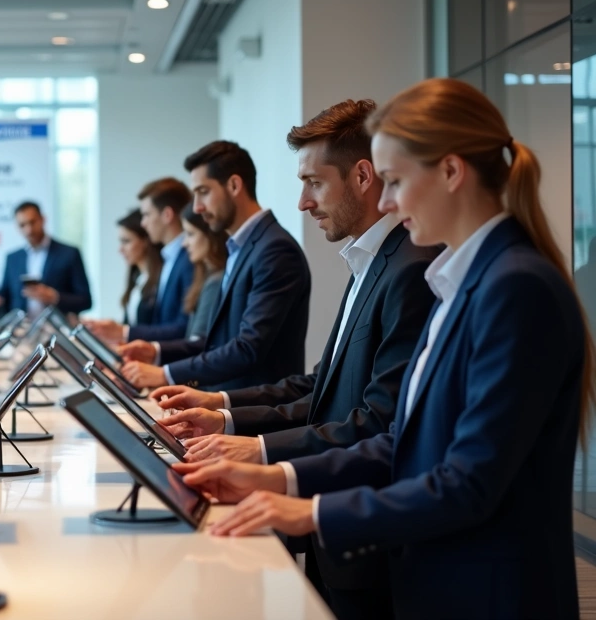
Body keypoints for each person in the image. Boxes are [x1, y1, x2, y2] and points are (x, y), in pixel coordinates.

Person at [177, 78, 590, 619]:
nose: (387, 201)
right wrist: (274, 475)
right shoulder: (463, 278)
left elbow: (466, 481)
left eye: (394, 180)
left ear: (450, 172)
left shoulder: (514, 286)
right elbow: (408, 440)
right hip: (441, 578)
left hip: (486, 593)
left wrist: (311, 511)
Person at [154, 99, 440, 620]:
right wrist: (225, 416)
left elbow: (380, 422)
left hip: (369, 543)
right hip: (338, 538)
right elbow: (322, 387)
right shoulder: (370, 261)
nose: (303, 202)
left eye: (314, 183)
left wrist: (261, 455)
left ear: (362, 176)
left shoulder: (408, 270)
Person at [118, 141, 311, 391]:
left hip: (254, 408)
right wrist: (156, 352)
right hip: (226, 403)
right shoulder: (241, 247)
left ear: (234, 185)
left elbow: (248, 348)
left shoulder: (275, 250)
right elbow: (216, 342)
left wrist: (166, 374)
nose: (197, 207)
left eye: (204, 192)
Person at [85, 177, 194, 342]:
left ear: (167, 215)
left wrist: (124, 332)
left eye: (147, 215)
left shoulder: (188, 259)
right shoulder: (169, 259)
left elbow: (184, 328)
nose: (143, 223)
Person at [0, 201, 93, 316]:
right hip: (22, 325)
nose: (29, 230)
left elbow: (86, 301)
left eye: (32, 222)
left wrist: (55, 297)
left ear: (42, 219)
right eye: (22, 225)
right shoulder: (13, 259)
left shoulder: (69, 254)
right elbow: (3, 298)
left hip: (58, 324)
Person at [179, 208, 229, 341]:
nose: (184, 243)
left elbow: (197, 341)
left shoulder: (216, 282)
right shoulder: (204, 277)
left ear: (210, 235)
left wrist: (156, 349)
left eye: (190, 234)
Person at [114, 209, 162, 327]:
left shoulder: (160, 279)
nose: (120, 249)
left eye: (126, 241)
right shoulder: (137, 278)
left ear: (145, 241)